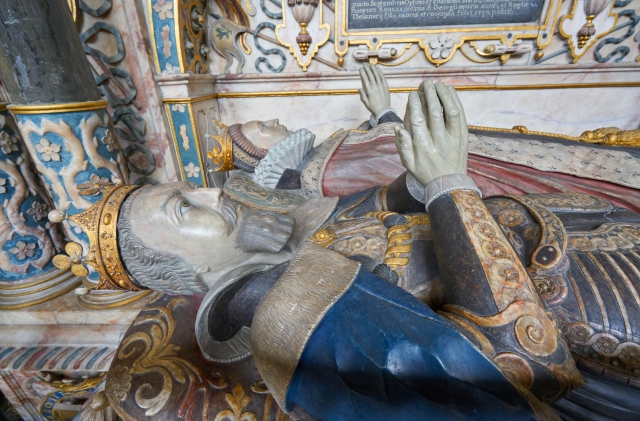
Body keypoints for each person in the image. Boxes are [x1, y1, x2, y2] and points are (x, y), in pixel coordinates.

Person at [53, 79, 640, 421]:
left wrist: (408, 149)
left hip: (591, 239)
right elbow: (520, 374)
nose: (217, 190)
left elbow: (386, 198)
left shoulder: (296, 244)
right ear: (186, 273)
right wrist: (447, 185)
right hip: (604, 311)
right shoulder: (290, 311)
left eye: (193, 188)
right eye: (186, 209)